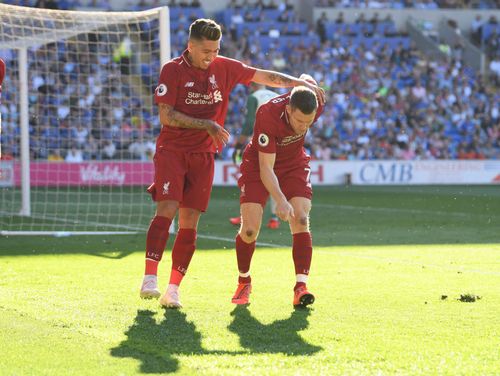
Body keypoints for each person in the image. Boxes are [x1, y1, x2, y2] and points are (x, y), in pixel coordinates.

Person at [140, 18, 325, 308]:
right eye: (206, 51)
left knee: (190, 221)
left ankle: (173, 289)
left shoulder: (223, 67)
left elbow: (264, 76)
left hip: (203, 154)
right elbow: (166, 116)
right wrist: (207, 124)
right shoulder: (172, 70)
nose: (211, 56)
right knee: (168, 207)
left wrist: (296, 81)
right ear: (190, 46)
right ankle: (150, 277)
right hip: (173, 149)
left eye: (215, 50)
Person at [231, 77, 323, 308]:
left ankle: (301, 287)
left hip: (293, 162)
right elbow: (265, 168)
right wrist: (280, 200)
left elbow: (305, 80)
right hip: (259, 163)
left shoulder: (316, 103)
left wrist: (307, 82)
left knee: (301, 218)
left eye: (309, 122)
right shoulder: (267, 114)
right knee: (250, 230)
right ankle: (244, 281)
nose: (304, 127)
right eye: (300, 121)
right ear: (289, 109)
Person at [230, 82, 280, 230]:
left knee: (251, 178)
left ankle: (247, 216)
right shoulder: (277, 96)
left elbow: (249, 122)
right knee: (273, 176)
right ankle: (274, 218)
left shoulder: (254, 97)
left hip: (261, 141)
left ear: (253, 85)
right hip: (279, 142)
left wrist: (239, 145)